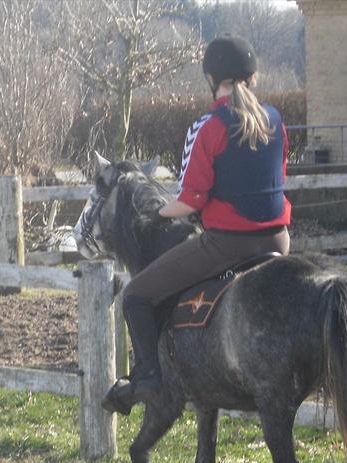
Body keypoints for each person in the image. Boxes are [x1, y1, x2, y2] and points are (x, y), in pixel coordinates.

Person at [104, 34, 292, 414]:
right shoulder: (275, 120)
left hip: (227, 245)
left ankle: (149, 378)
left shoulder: (207, 126)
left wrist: (156, 214)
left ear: (210, 79)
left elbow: (190, 201)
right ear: (253, 77)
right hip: (279, 241)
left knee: (136, 296)